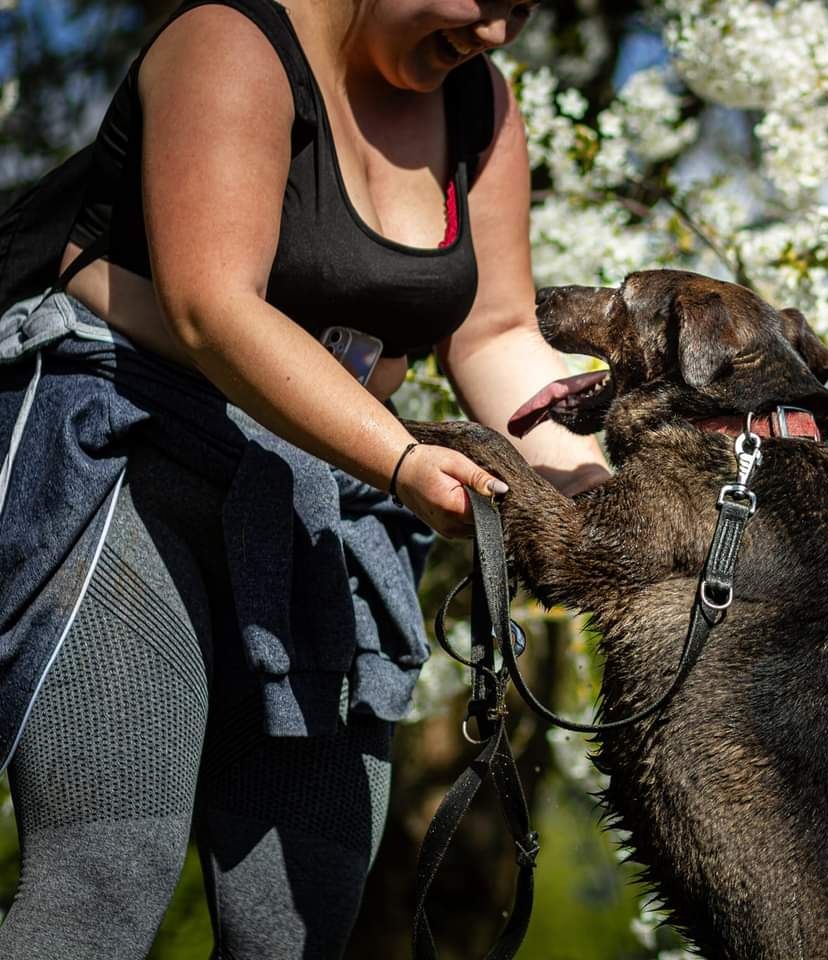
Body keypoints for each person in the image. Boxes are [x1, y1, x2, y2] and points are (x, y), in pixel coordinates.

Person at [0, 1, 606, 956]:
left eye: (523, 7)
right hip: (138, 452)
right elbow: (212, 306)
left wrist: (600, 512)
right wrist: (401, 458)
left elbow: (494, 334)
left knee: (305, 909)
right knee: (104, 875)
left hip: (329, 485)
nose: (494, 31)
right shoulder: (231, 40)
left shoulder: (480, 105)